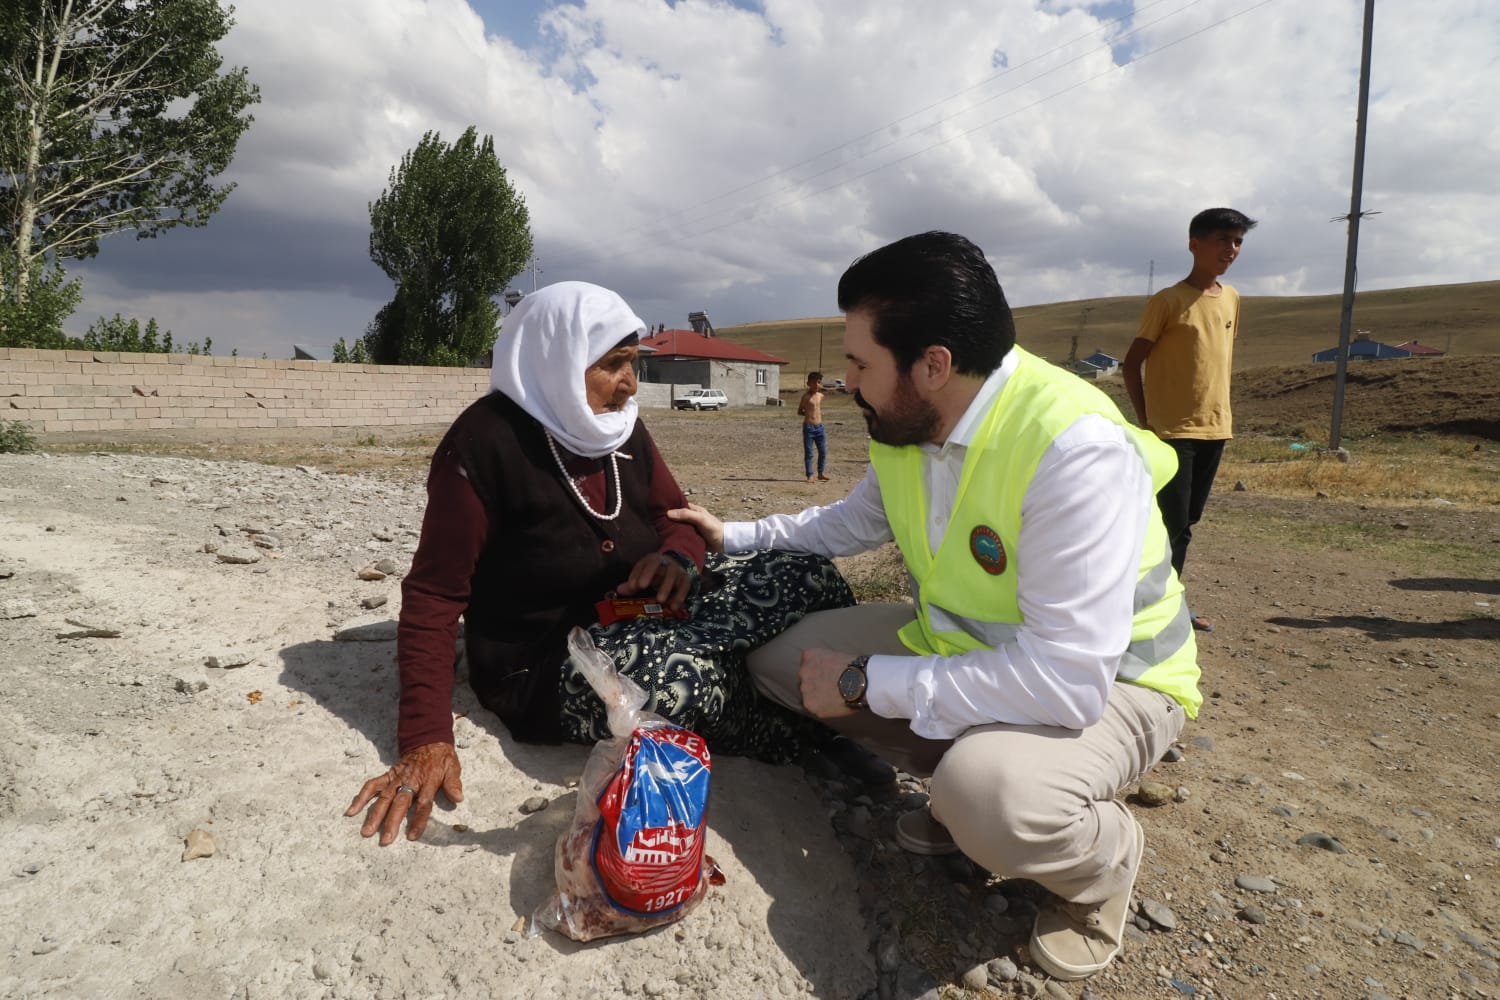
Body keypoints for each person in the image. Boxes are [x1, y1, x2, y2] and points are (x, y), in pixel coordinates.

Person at [669, 232, 1202, 983]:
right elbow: (851, 523)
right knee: (780, 662)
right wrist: (734, 534)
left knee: (992, 794)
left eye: (860, 363)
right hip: (967, 651)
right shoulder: (910, 420)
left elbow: (1065, 680)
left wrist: (865, 683)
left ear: (934, 364)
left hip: (1117, 682)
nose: (848, 381)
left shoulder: (1072, 449)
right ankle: (969, 800)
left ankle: (1098, 864)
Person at [346, 281, 872, 848]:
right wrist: (425, 735)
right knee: (683, 681)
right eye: (614, 365)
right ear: (557, 360)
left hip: (643, 609)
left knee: (804, 572)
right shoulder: (483, 445)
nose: (629, 384)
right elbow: (434, 594)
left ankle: (808, 698)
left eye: (634, 363)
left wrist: (677, 558)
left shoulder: (621, 429)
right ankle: (810, 735)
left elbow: (676, 515)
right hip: (550, 659)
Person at [1123, 207, 1258, 633]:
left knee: (1187, 524)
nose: (1231, 250)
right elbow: (1131, 365)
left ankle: (1164, 600)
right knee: (1169, 524)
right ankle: (1151, 608)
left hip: (1215, 428)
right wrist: (1147, 421)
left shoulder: (1233, 298)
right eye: (1223, 240)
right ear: (1194, 244)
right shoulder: (1168, 301)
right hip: (1170, 431)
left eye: (1237, 241)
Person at [797, 371, 830, 482]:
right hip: (809, 427)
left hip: (820, 427)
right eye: (814, 383)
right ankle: (810, 475)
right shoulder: (806, 397)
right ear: (808, 383)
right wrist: (808, 414)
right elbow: (799, 411)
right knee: (809, 452)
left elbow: (818, 409)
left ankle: (820, 473)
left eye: (819, 382)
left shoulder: (821, 396)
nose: (816, 385)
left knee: (823, 451)